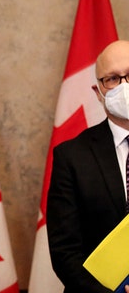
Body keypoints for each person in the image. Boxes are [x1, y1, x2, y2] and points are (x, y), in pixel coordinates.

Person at [47, 40, 129, 293]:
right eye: (113, 79)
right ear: (98, 91)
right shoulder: (71, 157)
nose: (125, 86)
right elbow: (65, 253)